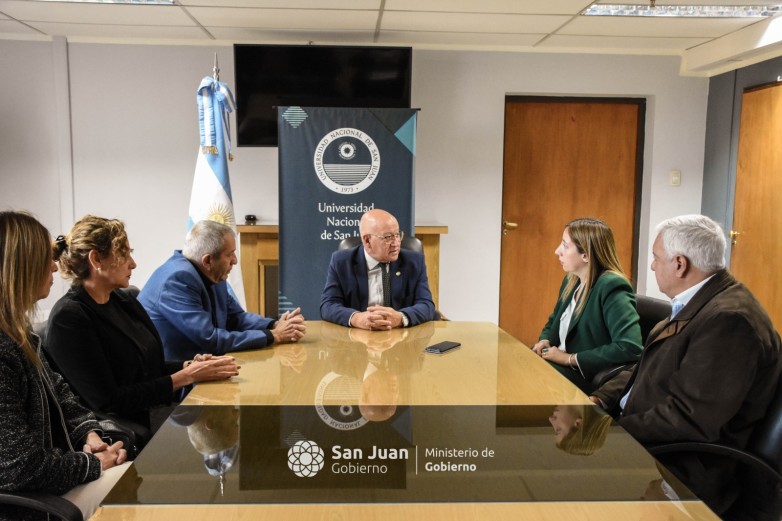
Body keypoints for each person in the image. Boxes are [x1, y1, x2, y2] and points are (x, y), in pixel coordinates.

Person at [591, 214, 782, 516]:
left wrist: (609, 432)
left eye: (656, 258)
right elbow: (648, 364)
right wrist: (601, 397)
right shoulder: (702, 301)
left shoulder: (730, 321)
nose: (652, 265)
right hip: (648, 440)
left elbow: (688, 419)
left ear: (680, 264)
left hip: (679, 467)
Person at [45, 215, 240, 434]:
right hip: (120, 431)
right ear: (96, 260)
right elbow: (109, 401)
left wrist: (190, 365)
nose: (133, 263)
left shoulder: (126, 299)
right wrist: (188, 376)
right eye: (124, 253)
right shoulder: (69, 318)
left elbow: (149, 367)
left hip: (153, 414)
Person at [0, 211, 127, 520]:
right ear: (22, 267)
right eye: (47, 258)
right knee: (137, 485)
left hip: (54, 476)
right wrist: (94, 464)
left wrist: (90, 435)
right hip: (29, 502)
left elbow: (61, 393)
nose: (55, 266)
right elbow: (20, 467)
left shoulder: (20, 336)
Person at [139, 219, 306, 360]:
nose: (235, 261)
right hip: (177, 376)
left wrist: (275, 324)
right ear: (208, 261)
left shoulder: (212, 273)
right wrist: (274, 335)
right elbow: (210, 339)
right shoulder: (177, 280)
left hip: (206, 364)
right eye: (230, 254)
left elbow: (236, 317)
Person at [531, 218, 643, 394]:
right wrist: (545, 339)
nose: (557, 251)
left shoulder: (611, 286)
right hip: (557, 365)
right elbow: (554, 319)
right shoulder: (572, 279)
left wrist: (570, 359)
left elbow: (629, 347)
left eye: (565, 246)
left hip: (583, 375)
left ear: (586, 255)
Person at [320, 209, 436, 330]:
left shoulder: (413, 261)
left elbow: (426, 305)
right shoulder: (342, 261)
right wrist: (357, 318)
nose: (396, 243)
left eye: (397, 235)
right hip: (358, 338)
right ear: (367, 240)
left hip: (400, 336)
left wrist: (400, 317)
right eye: (388, 237)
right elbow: (328, 305)